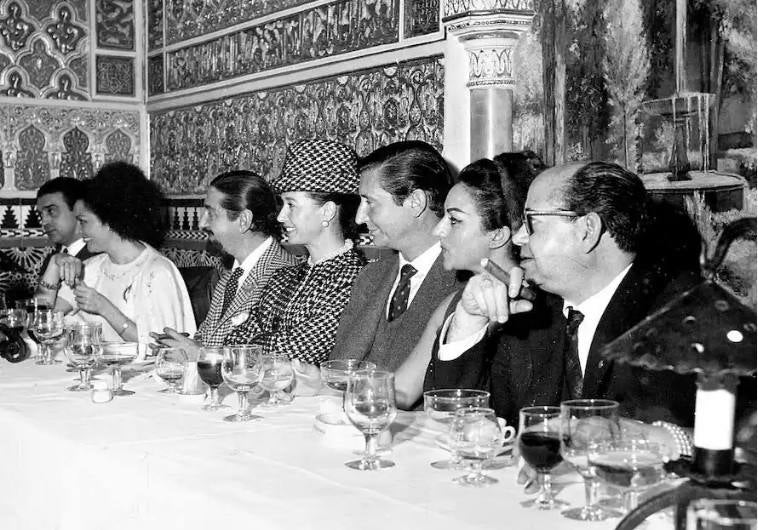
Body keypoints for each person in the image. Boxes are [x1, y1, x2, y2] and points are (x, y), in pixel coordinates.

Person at [437, 161, 703, 455]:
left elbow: (741, 441)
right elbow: (465, 420)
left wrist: (647, 437)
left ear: (587, 230)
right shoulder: (534, 311)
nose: (518, 238)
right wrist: (469, 319)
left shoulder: (682, 318)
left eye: (531, 223)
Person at [393, 155, 539, 409]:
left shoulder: (534, 309)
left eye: (454, 220)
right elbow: (402, 391)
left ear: (497, 235)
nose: (438, 231)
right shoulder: (453, 303)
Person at [225, 139, 366, 366]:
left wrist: (255, 344)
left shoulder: (355, 279)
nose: (281, 217)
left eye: (291, 205)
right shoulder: (283, 277)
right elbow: (234, 341)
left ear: (327, 211)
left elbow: (301, 352)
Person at [329, 141, 460, 372]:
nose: (360, 218)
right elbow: (341, 368)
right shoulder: (371, 276)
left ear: (415, 202)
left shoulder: (461, 283)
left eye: (370, 202)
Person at [38, 162, 196, 348]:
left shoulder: (157, 272)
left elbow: (164, 348)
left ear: (110, 221)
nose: (79, 231)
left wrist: (105, 308)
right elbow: (43, 320)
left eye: (84, 221)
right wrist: (54, 264)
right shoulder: (91, 268)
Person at [153, 171, 297, 355]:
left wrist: (200, 354)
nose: (202, 223)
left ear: (243, 220)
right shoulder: (229, 277)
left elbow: (272, 361)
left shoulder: (284, 276)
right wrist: (180, 346)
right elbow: (208, 341)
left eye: (211, 214)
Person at [35, 177, 98, 278]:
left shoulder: (97, 258)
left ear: (78, 209)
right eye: (41, 215)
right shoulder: (52, 258)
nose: (44, 222)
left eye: (51, 211)